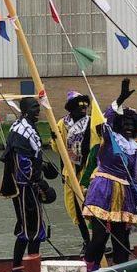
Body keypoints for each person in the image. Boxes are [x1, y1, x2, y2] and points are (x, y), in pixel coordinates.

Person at [81, 79, 137, 270]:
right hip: (103, 189)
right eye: (125, 123)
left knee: (122, 237)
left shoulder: (135, 146)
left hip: (124, 193)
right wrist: (120, 99)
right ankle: (88, 271)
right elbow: (106, 119)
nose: (128, 126)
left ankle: (121, 270)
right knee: (100, 236)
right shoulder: (108, 140)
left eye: (132, 124)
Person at [0, 97, 59, 272]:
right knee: (31, 230)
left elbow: (33, 158)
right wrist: (41, 183)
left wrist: (45, 168)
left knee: (31, 229)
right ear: (25, 110)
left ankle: (24, 271)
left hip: (30, 187)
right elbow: (23, 165)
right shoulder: (21, 132)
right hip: (25, 188)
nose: (37, 111)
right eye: (34, 108)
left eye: (37, 107)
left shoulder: (28, 128)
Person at [52, 91, 95, 252]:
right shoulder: (62, 124)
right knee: (75, 209)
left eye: (85, 106)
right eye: (80, 106)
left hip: (89, 170)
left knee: (92, 206)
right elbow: (59, 149)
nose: (84, 109)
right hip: (70, 172)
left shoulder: (91, 123)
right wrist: (54, 140)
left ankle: (99, 241)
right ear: (72, 108)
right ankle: (86, 241)